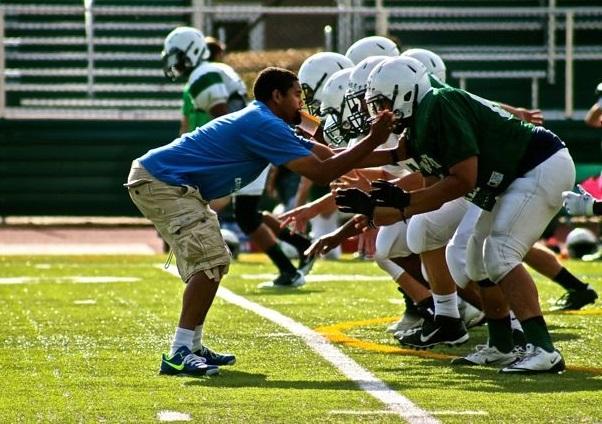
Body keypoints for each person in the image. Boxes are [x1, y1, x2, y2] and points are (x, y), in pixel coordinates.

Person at [125, 66, 401, 377]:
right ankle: (180, 351)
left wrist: (394, 153)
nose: (301, 103)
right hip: (162, 181)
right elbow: (323, 173)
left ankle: (192, 344)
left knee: (214, 261)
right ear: (277, 95)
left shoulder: (269, 122)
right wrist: (374, 139)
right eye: (296, 95)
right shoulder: (263, 124)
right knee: (209, 262)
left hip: (167, 180)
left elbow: (327, 155)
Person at [336, 56, 575, 373]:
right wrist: (371, 201)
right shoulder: (421, 118)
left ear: (404, 92)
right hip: (508, 178)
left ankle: (543, 349)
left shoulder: (440, 105)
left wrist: (403, 200)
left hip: (536, 166)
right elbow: (420, 175)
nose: (378, 110)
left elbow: (461, 180)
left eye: (382, 101)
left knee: (501, 254)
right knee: (475, 260)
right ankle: (502, 345)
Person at [164, 27, 314, 288]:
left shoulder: (203, 75)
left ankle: (292, 266)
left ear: (192, 50)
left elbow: (224, 117)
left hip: (247, 147)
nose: (175, 61)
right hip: (251, 144)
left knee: (246, 215)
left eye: (178, 55)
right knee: (248, 213)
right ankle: (301, 249)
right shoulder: (211, 71)